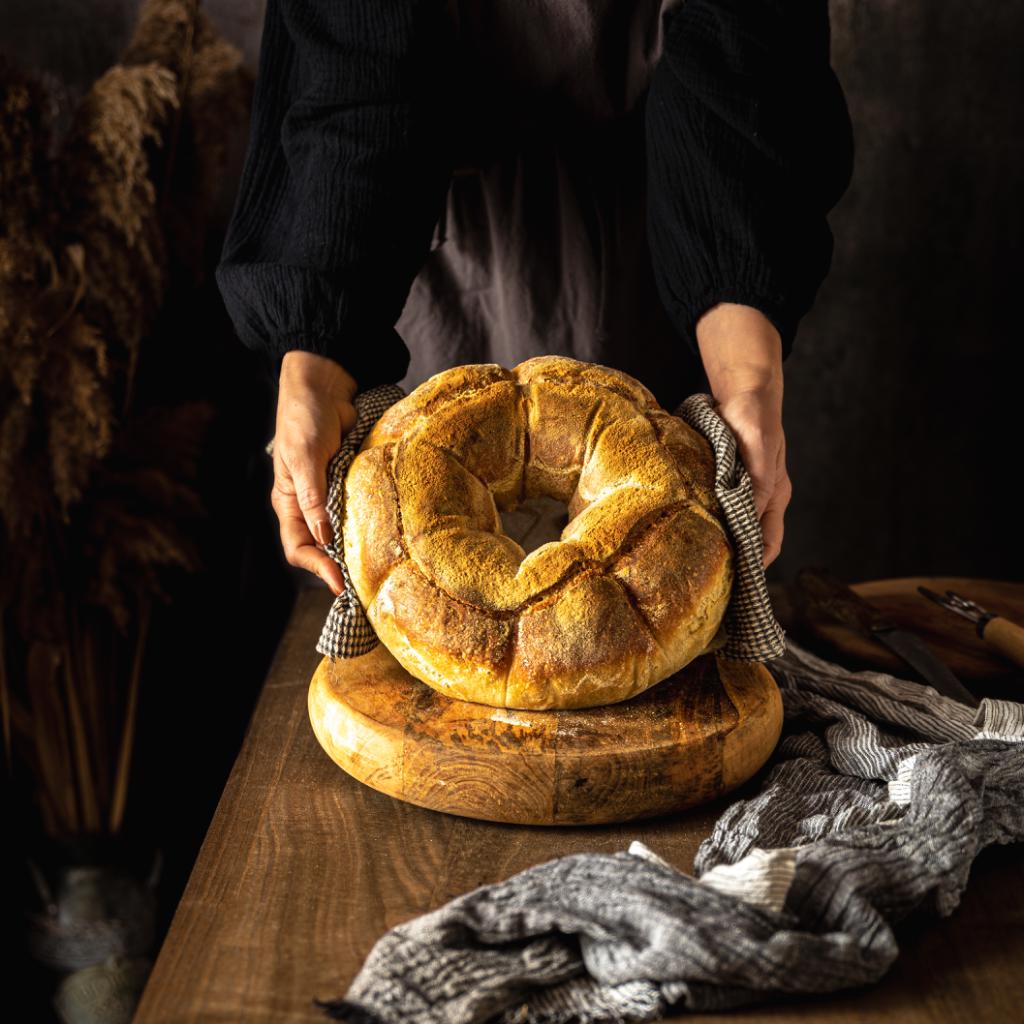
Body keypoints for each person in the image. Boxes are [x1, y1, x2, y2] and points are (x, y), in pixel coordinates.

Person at [215, 0, 854, 597]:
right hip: (406, 237)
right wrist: (319, 356)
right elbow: (352, 62)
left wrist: (745, 379)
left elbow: (744, 41)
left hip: (678, 219)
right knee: (414, 572)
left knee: (665, 576)